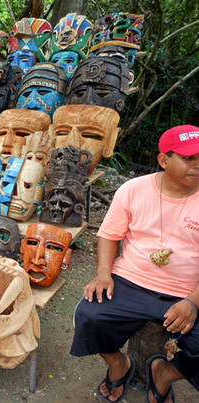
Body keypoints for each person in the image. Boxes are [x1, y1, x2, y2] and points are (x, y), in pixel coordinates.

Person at [70, 125, 199, 403]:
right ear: (164, 160)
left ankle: (163, 374)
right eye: (189, 158)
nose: (197, 164)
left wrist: (192, 302)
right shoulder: (134, 190)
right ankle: (118, 364)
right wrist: (104, 273)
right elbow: (108, 235)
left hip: (187, 291)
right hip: (131, 280)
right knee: (89, 315)